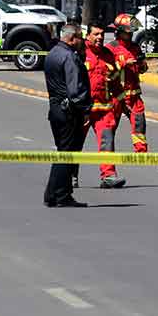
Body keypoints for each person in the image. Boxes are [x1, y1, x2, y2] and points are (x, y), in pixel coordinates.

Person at [44, 24, 90, 207]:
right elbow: (75, 89)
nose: (82, 41)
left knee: (63, 152)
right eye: (80, 37)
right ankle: (59, 195)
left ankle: (56, 194)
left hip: (55, 109)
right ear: (72, 38)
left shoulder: (53, 53)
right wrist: (85, 109)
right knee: (67, 154)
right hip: (69, 111)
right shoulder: (70, 57)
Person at [84, 23, 125, 189]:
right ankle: (70, 175)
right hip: (83, 109)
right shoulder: (80, 53)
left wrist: (122, 103)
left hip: (103, 108)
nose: (100, 37)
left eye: (102, 34)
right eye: (96, 34)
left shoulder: (108, 55)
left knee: (107, 140)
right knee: (75, 143)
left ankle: (108, 176)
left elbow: (115, 82)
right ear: (88, 36)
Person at [108, 13, 149, 154]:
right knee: (110, 125)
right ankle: (107, 153)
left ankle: (141, 152)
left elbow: (142, 69)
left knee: (139, 123)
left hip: (134, 95)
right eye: (128, 32)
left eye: (132, 32)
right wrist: (123, 64)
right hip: (117, 95)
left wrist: (142, 65)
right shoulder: (110, 49)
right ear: (119, 32)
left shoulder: (135, 47)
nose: (131, 35)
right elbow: (106, 74)